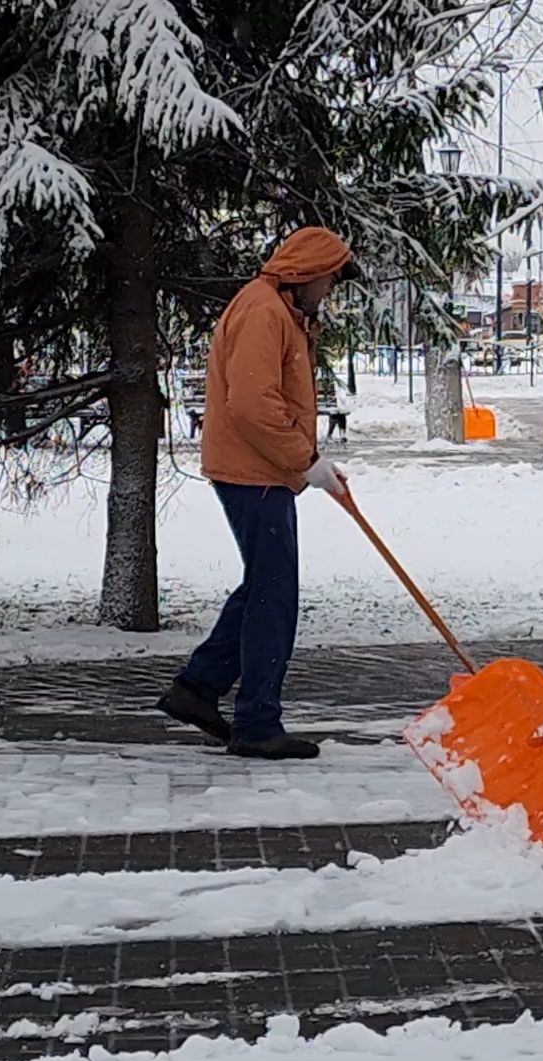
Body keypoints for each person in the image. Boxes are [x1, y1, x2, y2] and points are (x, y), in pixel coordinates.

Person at [154, 227, 358, 760]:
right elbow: (251, 402)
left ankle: (197, 688)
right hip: (253, 473)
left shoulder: (279, 311)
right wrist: (306, 461)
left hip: (262, 471)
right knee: (273, 597)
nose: (330, 292)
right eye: (331, 280)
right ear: (309, 273)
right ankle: (256, 723)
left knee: (263, 589)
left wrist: (305, 464)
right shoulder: (264, 312)